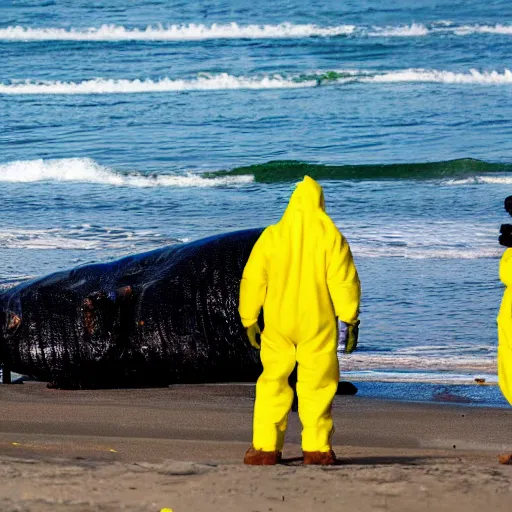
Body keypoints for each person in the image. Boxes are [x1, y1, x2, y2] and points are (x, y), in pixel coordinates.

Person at [239, 175, 361, 466]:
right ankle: (317, 449)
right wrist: (350, 318)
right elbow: (344, 281)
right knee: (317, 385)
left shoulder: (272, 235)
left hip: (278, 323)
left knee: (272, 382)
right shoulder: (330, 235)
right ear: (320, 203)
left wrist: (249, 318)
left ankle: (265, 449)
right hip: (316, 323)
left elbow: (253, 279)